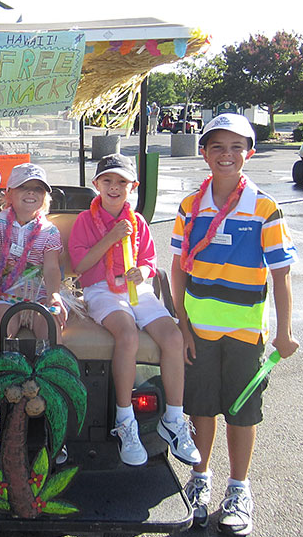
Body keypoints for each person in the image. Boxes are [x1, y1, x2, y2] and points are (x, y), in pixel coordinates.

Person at [170, 113, 299, 535]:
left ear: (250, 153)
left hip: (246, 333)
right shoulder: (190, 206)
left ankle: (239, 488)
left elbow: (281, 275)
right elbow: (178, 270)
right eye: (218, 147)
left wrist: (283, 331)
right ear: (204, 153)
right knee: (201, 408)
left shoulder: (265, 207)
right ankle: (200, 479)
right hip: (200, 332)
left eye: (236, 147)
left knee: (242, 413)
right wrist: (183, 326)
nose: (226, 155)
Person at [68, 153, 200, 467]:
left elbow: (150, 262)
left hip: (136, 289)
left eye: (122, 182)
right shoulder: (85, 222)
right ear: (97, 184)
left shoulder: (137, 222)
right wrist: (111, 238)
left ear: (133, 186)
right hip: (100, 289)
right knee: (127, 335)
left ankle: (174, 419)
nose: (114, 188)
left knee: (172, 335)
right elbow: (79, 266)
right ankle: (126, 419)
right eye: (108, 181)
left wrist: (143, 271)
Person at [0, 163, 67, 462]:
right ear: (8, 194)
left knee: (52, 333)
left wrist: (55, 294)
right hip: (7, 295)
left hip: (38, 296)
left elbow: (52, 268)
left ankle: (54, 418)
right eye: (25, 188)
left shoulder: (49, 232)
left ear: (45, 197)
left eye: (38, 189)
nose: (31, 194)